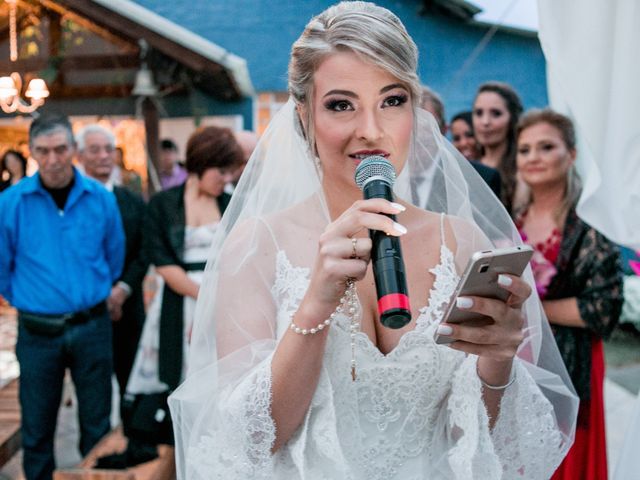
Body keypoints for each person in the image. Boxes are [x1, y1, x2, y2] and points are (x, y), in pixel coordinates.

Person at [169, 3, 578, 479]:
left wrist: (497, 361)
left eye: (392, 100)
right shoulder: (257, 243)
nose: (371, 130)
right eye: (341, 104)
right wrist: (315, 307)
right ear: (302, 114)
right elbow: (253, 443)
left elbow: (482, 447)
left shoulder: (460, 239)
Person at [0, 114, 125, 480]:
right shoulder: (10, 203)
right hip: (38, 333)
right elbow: (2, 267)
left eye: (59, 149)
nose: (52, 159)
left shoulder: (101, 200)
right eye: (43, 151)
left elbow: (113, 256)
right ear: (32, 152)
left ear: (73, 149)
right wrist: (31, 298)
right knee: (37, 429)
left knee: (98, 425)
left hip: (92, 327)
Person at [514, 108, 623, 480]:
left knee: (565, 458)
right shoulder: (511, 219)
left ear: (571, 155)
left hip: (571, 362)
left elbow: (602, 308)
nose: (534, 158)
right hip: (519, 362)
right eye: (525, 149)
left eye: (546, 147)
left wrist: (531, 305)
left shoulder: (589, 224)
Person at [76, 124, 148, 403]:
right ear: (80, 156)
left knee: (131, 384)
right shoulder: (71, 202)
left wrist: (123, 289)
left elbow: (144, 251)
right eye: (95, 150)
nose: (104, 156)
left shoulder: (131, 201)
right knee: (92, 393)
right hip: (86, 312)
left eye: (109, 150)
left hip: (128, 308)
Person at [419, 87, 501, 199]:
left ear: (444, 130)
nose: (419, 136)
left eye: (428, 127)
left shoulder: (480, 178)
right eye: (411, 127)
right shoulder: (389, 176)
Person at [472, 81, 524, 212]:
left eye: (496, 114)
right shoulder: (465, 168)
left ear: (513, 118)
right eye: (479, 113)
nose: (485, 122)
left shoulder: (522, 172)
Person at [450, 111, 501, 198]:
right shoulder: (451, 177)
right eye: (456, 138)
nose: (463, 143)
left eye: (469, 135)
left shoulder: (498, 172)